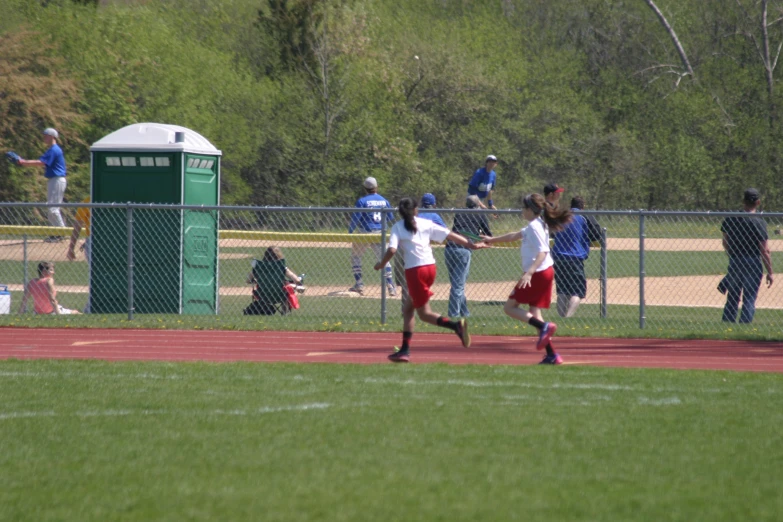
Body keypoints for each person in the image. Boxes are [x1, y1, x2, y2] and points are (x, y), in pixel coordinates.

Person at [374, 198, 483, 363]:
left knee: (424, 314)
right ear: (416, 210)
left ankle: (455, 327)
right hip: (430, 268)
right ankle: (404, 349)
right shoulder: (425, 223)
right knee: (408, 309)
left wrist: (381, 264)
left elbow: (392, 249)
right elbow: (450, 235)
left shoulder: (397, 227)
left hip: (415, 271)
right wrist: (471, 245)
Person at [481, 193, 572, 365]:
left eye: (524, 208)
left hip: (537, 273)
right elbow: (513, 235)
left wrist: (529, 272)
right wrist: (491, 240)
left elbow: (543, 251)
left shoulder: (535, 227)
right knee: (535, 312)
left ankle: (543, 327)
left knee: (510, 307)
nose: (522, 211)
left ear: (530, 210)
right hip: (544, 272)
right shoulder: (536, 225)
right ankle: (552, 354)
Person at [720, 188, 774, 323]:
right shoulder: (759, 222)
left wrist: (732, 255)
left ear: (743, 201)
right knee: (749, 297)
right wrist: (770, 271)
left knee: (732, 296)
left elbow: (725, 242)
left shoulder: (732, 219)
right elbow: (764, 250)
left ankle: (727, 323)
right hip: (753, 261)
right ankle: (744, 324)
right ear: (758, 202)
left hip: (735, 259)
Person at [393, 193, 446, 310]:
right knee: (421, 287)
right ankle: (420, 309)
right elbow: (444, 232)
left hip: (404, 251)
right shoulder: (434, 216)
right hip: (423, 257)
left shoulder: (416, 215)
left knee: (406, 284)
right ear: (434, 204)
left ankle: (406, 309)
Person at [552, 196, 602, 317]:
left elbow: (552, 232)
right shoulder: (585, 216)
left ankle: (561, 318)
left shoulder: (562, 215)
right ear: (582, 206)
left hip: (558, 256)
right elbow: (597, 234)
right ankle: (568, 318)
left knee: (562, 291)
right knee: (577, 291)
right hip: (575, 257)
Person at [444, 195, 492, 317]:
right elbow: (488, 235)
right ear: (477, 204)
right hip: (463, 250)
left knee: (457, 283)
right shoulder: (480, 214)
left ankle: (464, 312)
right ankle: (453, 315)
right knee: (458, 286)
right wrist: (481, 239)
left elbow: (459, 228)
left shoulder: (460, 212)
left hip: (449, 248)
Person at [347, 177, 396, 296]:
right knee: (384, 259)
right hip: (380, 233)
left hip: (364, 233)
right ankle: (390, 286)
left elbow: (356, 218)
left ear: (365, 188)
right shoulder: (384, 201)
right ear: (376, 187)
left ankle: (359, 284)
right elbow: (390, 218)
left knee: (356, 256)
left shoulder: (362, 201)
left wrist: (350, 231)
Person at [16, 128, 68, 241]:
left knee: (53, 208)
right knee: (51, 207)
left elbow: (41, 162)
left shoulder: (54, 149)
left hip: (57, 179)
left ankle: (61, 233)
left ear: (52, 136)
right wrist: (25, 163)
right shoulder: (51, 149)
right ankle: (57, 233)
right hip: (54, 179)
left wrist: (24, 162)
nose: (44, 137)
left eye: (46, 135)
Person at [244, 246, 304, 315]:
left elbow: (248, 280)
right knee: (286, 292)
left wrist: (257, 280)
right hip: (279, 295)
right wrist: (298, 281)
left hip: (262, 295)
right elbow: (296, 280)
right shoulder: (281, 267)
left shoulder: (259, 266)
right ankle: (285, 313)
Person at [66, 197, 92, 313]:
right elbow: (78, 225)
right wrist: (71, 248)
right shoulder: (88, 200)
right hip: (93, 240)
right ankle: (90, 307)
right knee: (95, 275)